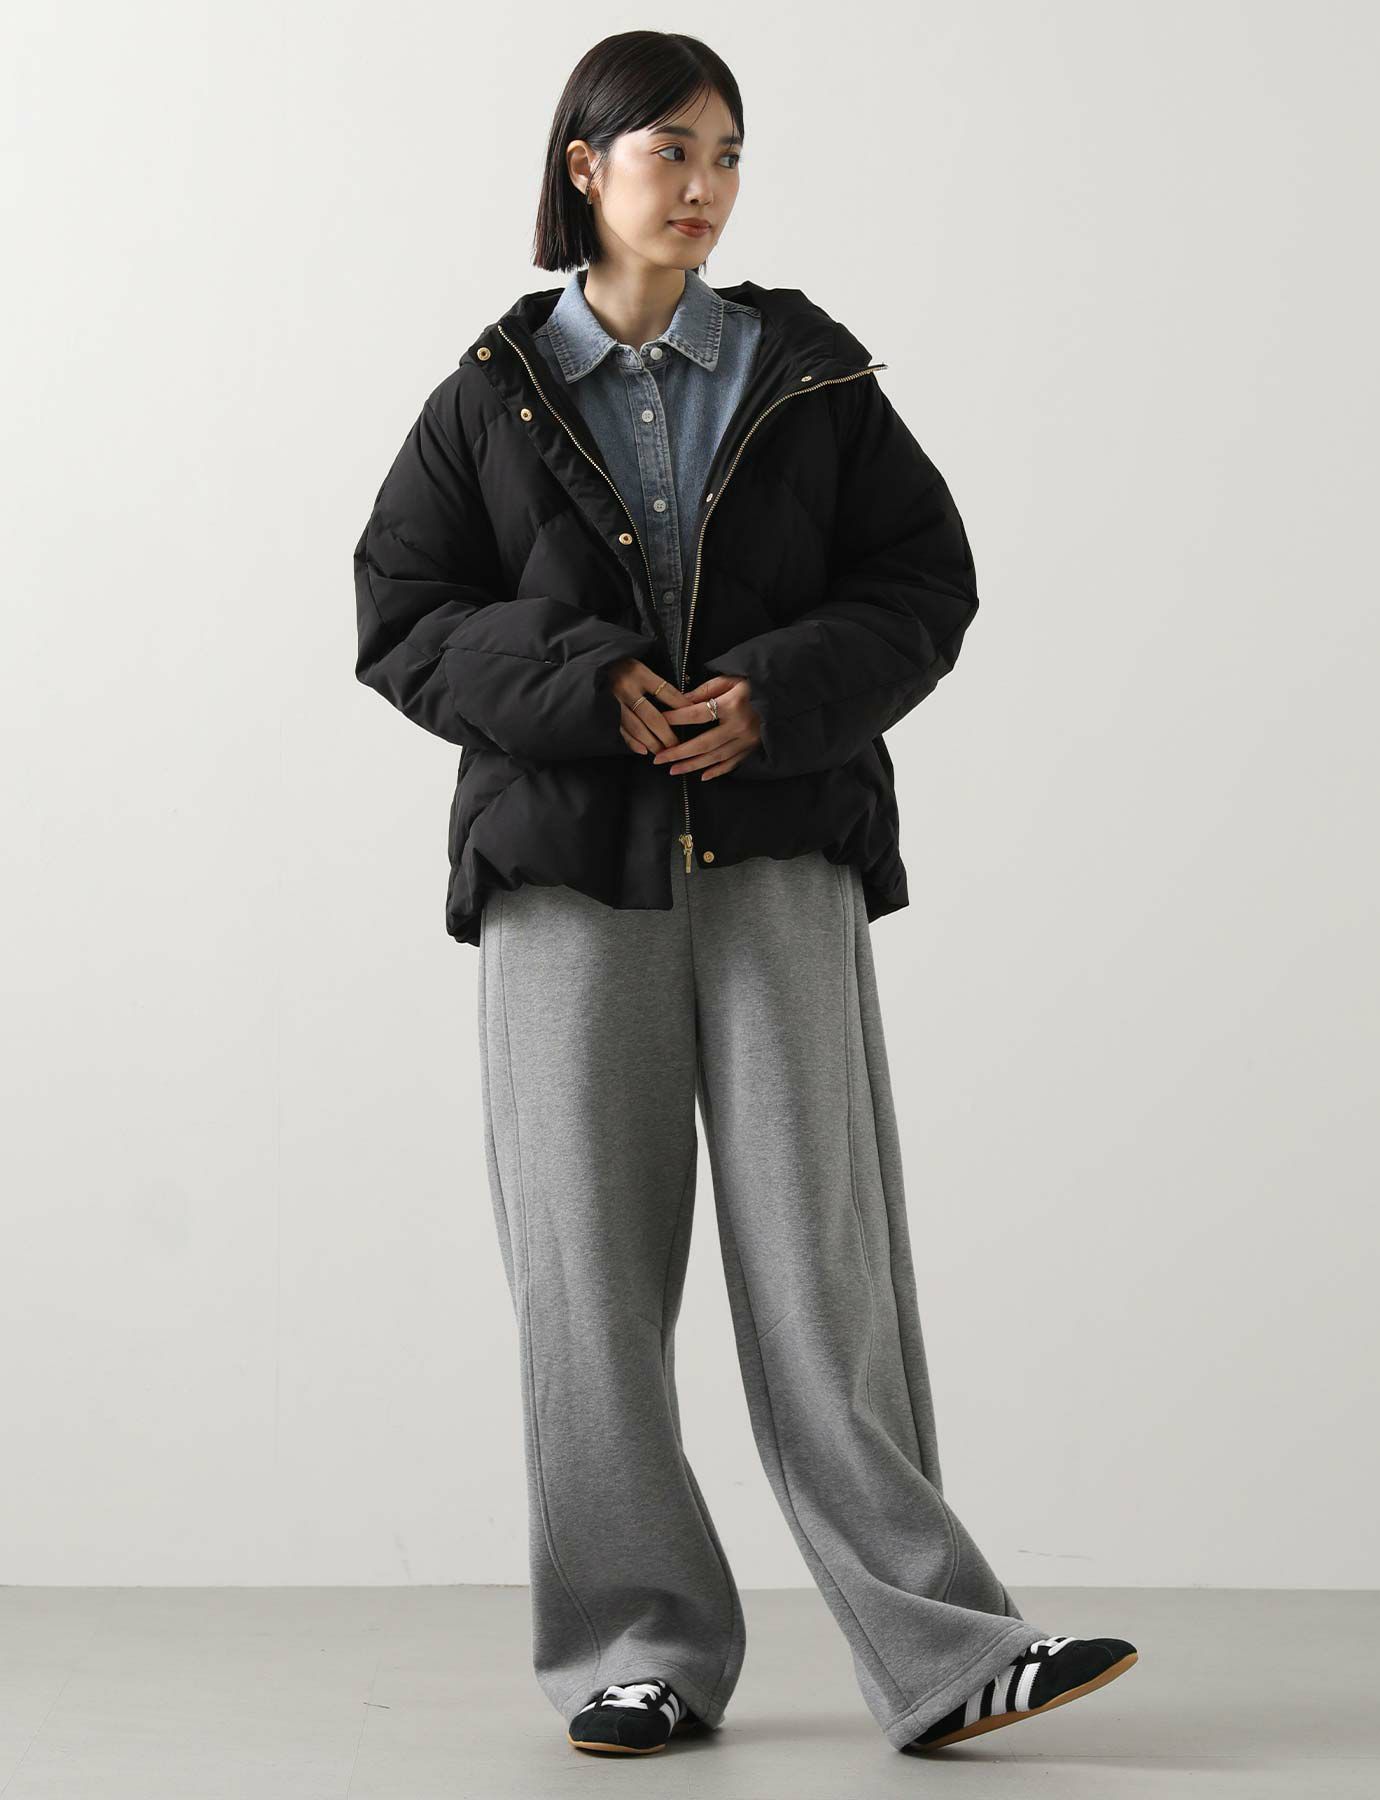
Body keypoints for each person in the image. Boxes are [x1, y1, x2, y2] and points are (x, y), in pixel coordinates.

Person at [352, 28, 1137, 1759]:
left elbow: (924, 583)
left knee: (822, 1262)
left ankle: (941, 1651)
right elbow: (400, 617)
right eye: (671, 153)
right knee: (588, 1280)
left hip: (780, 853)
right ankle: (635, 1650)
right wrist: (589, 688)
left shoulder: (808, 372)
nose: (704, 187)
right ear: (585, 168)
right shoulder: (491, 391)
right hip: (568, 874)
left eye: (727, 155)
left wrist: (772, 697)